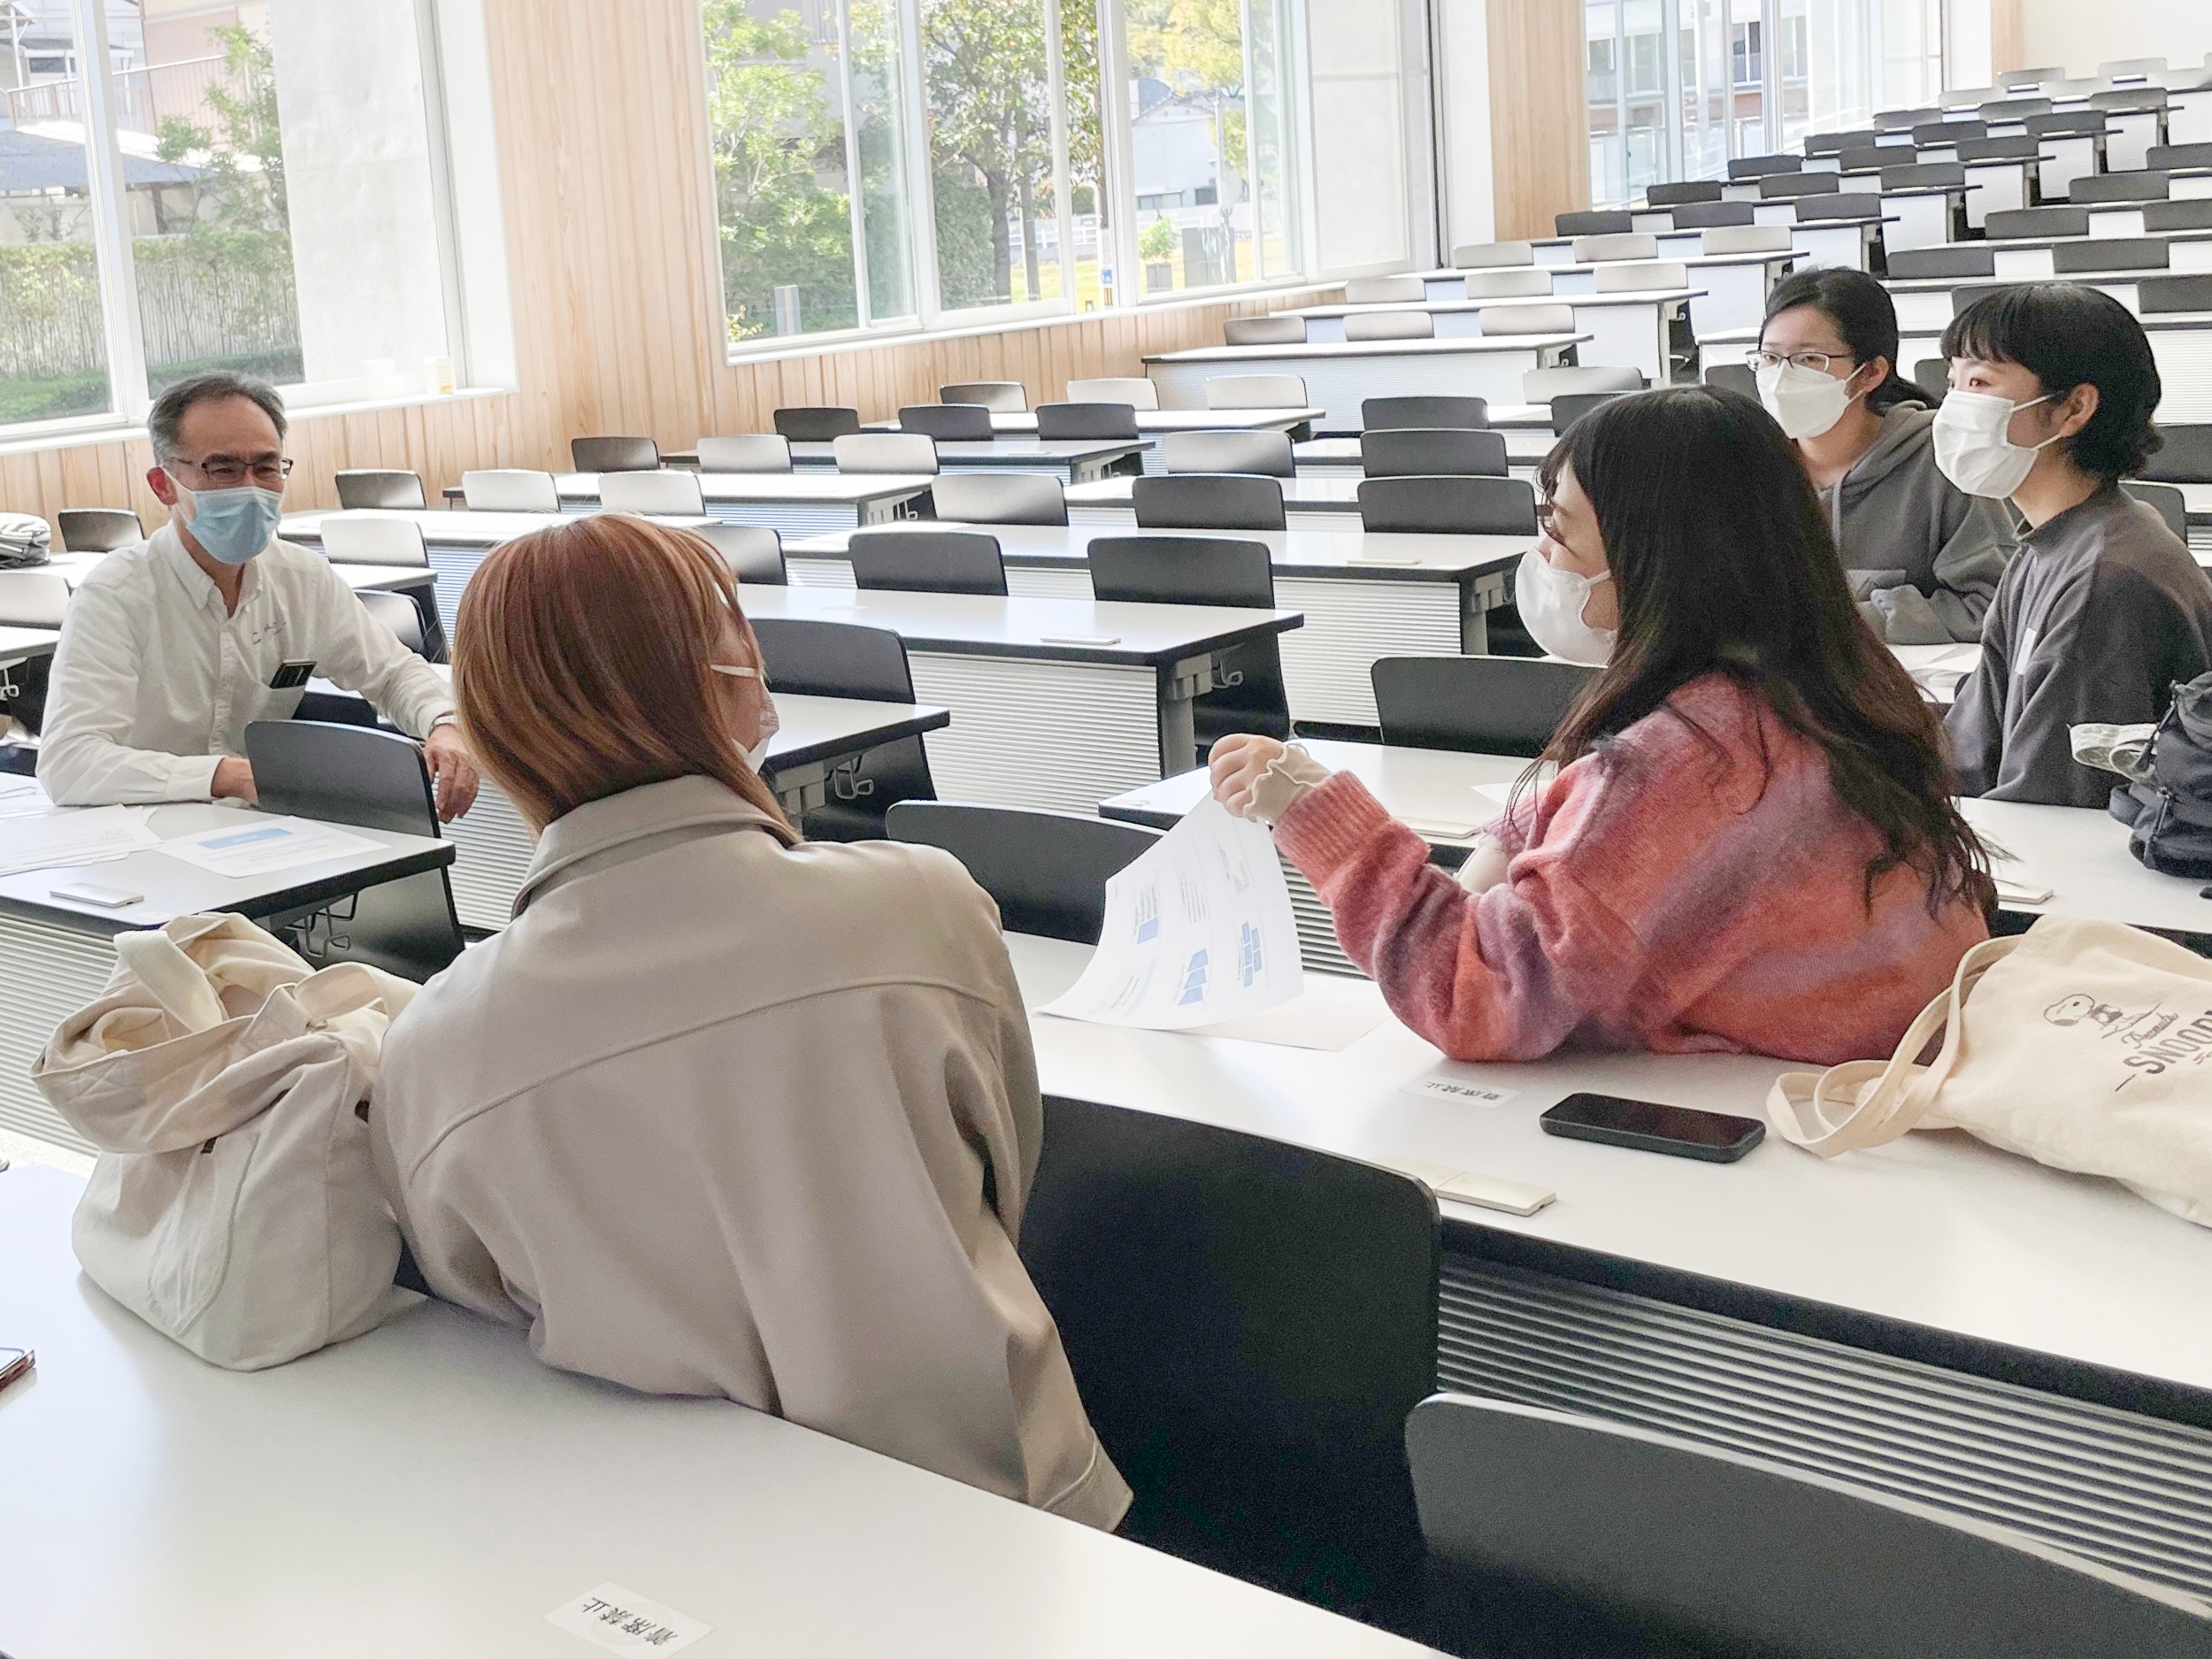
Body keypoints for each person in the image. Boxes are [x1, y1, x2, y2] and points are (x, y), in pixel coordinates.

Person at [370, 514, 1129, 1531]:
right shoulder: (918, 906)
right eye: (733, 627)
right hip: (995, 1504)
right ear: (711, 672)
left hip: (670, 1554)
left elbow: (490, 1305)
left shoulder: (434, 1043)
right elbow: (1004, 1172)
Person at [1210, 387, 1992, 1066]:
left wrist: (1315, 809)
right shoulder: (1818, 677)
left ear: (1658, 557)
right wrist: (1522, 831)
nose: (1542, 555)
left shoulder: (1692, 756)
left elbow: (1471, 994)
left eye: (1560, 530)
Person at [38, 371, 478, 818]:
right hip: (137, 830)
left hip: (254, 831)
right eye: (222, 468)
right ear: (163, 484)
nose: (249, 487)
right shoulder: (115, 596)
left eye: (266, 467)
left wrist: (443, 724)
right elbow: (68, 762)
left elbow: (393, 673)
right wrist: (226, 775)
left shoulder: (300, 579)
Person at [1939, 284, 2212, 807]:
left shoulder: (2104, 579)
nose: (1953, 408)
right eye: (1952, 383)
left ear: (2073, 409)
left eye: (1979, 382)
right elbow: (1970, 747)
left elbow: (2051, 805)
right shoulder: (2053, 541)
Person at [1754, 267, 2012, 643]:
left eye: (1810, 360)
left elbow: (1992, 604)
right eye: (1770, 358)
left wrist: (1851, 625)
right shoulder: (1746, 463)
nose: (1781, 379)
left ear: (1870, 373)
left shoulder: (1944, 462)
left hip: (1908, 690)